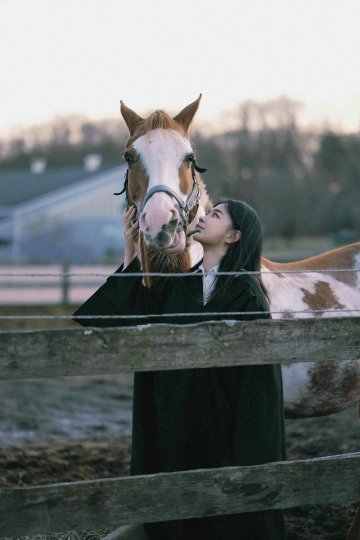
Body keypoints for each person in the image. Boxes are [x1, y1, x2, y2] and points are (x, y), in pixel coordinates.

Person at [73, 199, 287, 540]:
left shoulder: (246, 294)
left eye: (215, 215)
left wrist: (248, 453)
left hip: (221, 429)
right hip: (176, 424)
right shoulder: (186, 283)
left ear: (232, 236)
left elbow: (257, 383)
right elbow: (132, 316)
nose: (202, 217)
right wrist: (132, 250)